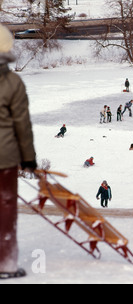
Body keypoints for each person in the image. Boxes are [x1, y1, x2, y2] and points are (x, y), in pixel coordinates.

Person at [0, 24, 37, 279]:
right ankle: (5, 263)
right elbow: (21, 124)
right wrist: (29, 158)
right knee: (5, 207)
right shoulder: (12, 82)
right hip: (4, 158)